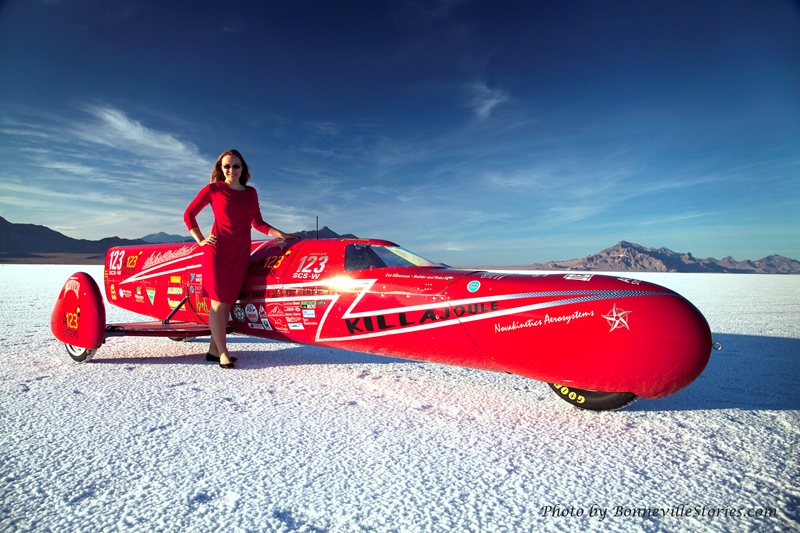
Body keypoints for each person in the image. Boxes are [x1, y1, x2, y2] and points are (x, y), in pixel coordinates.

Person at [184, 149, 297, 369]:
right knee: (217, 304)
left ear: (243, 168)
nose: (231, 170)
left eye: (236, 166)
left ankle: (213, 350)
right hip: (217, 253)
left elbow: (258, 224)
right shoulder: (213, 189)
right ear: (220, 168)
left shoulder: (251, 193)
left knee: (226, 305)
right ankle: (223, 353)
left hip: (240, 253)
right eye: (226, 166)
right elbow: (189, 214)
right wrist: (200, 240)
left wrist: (282, 234)